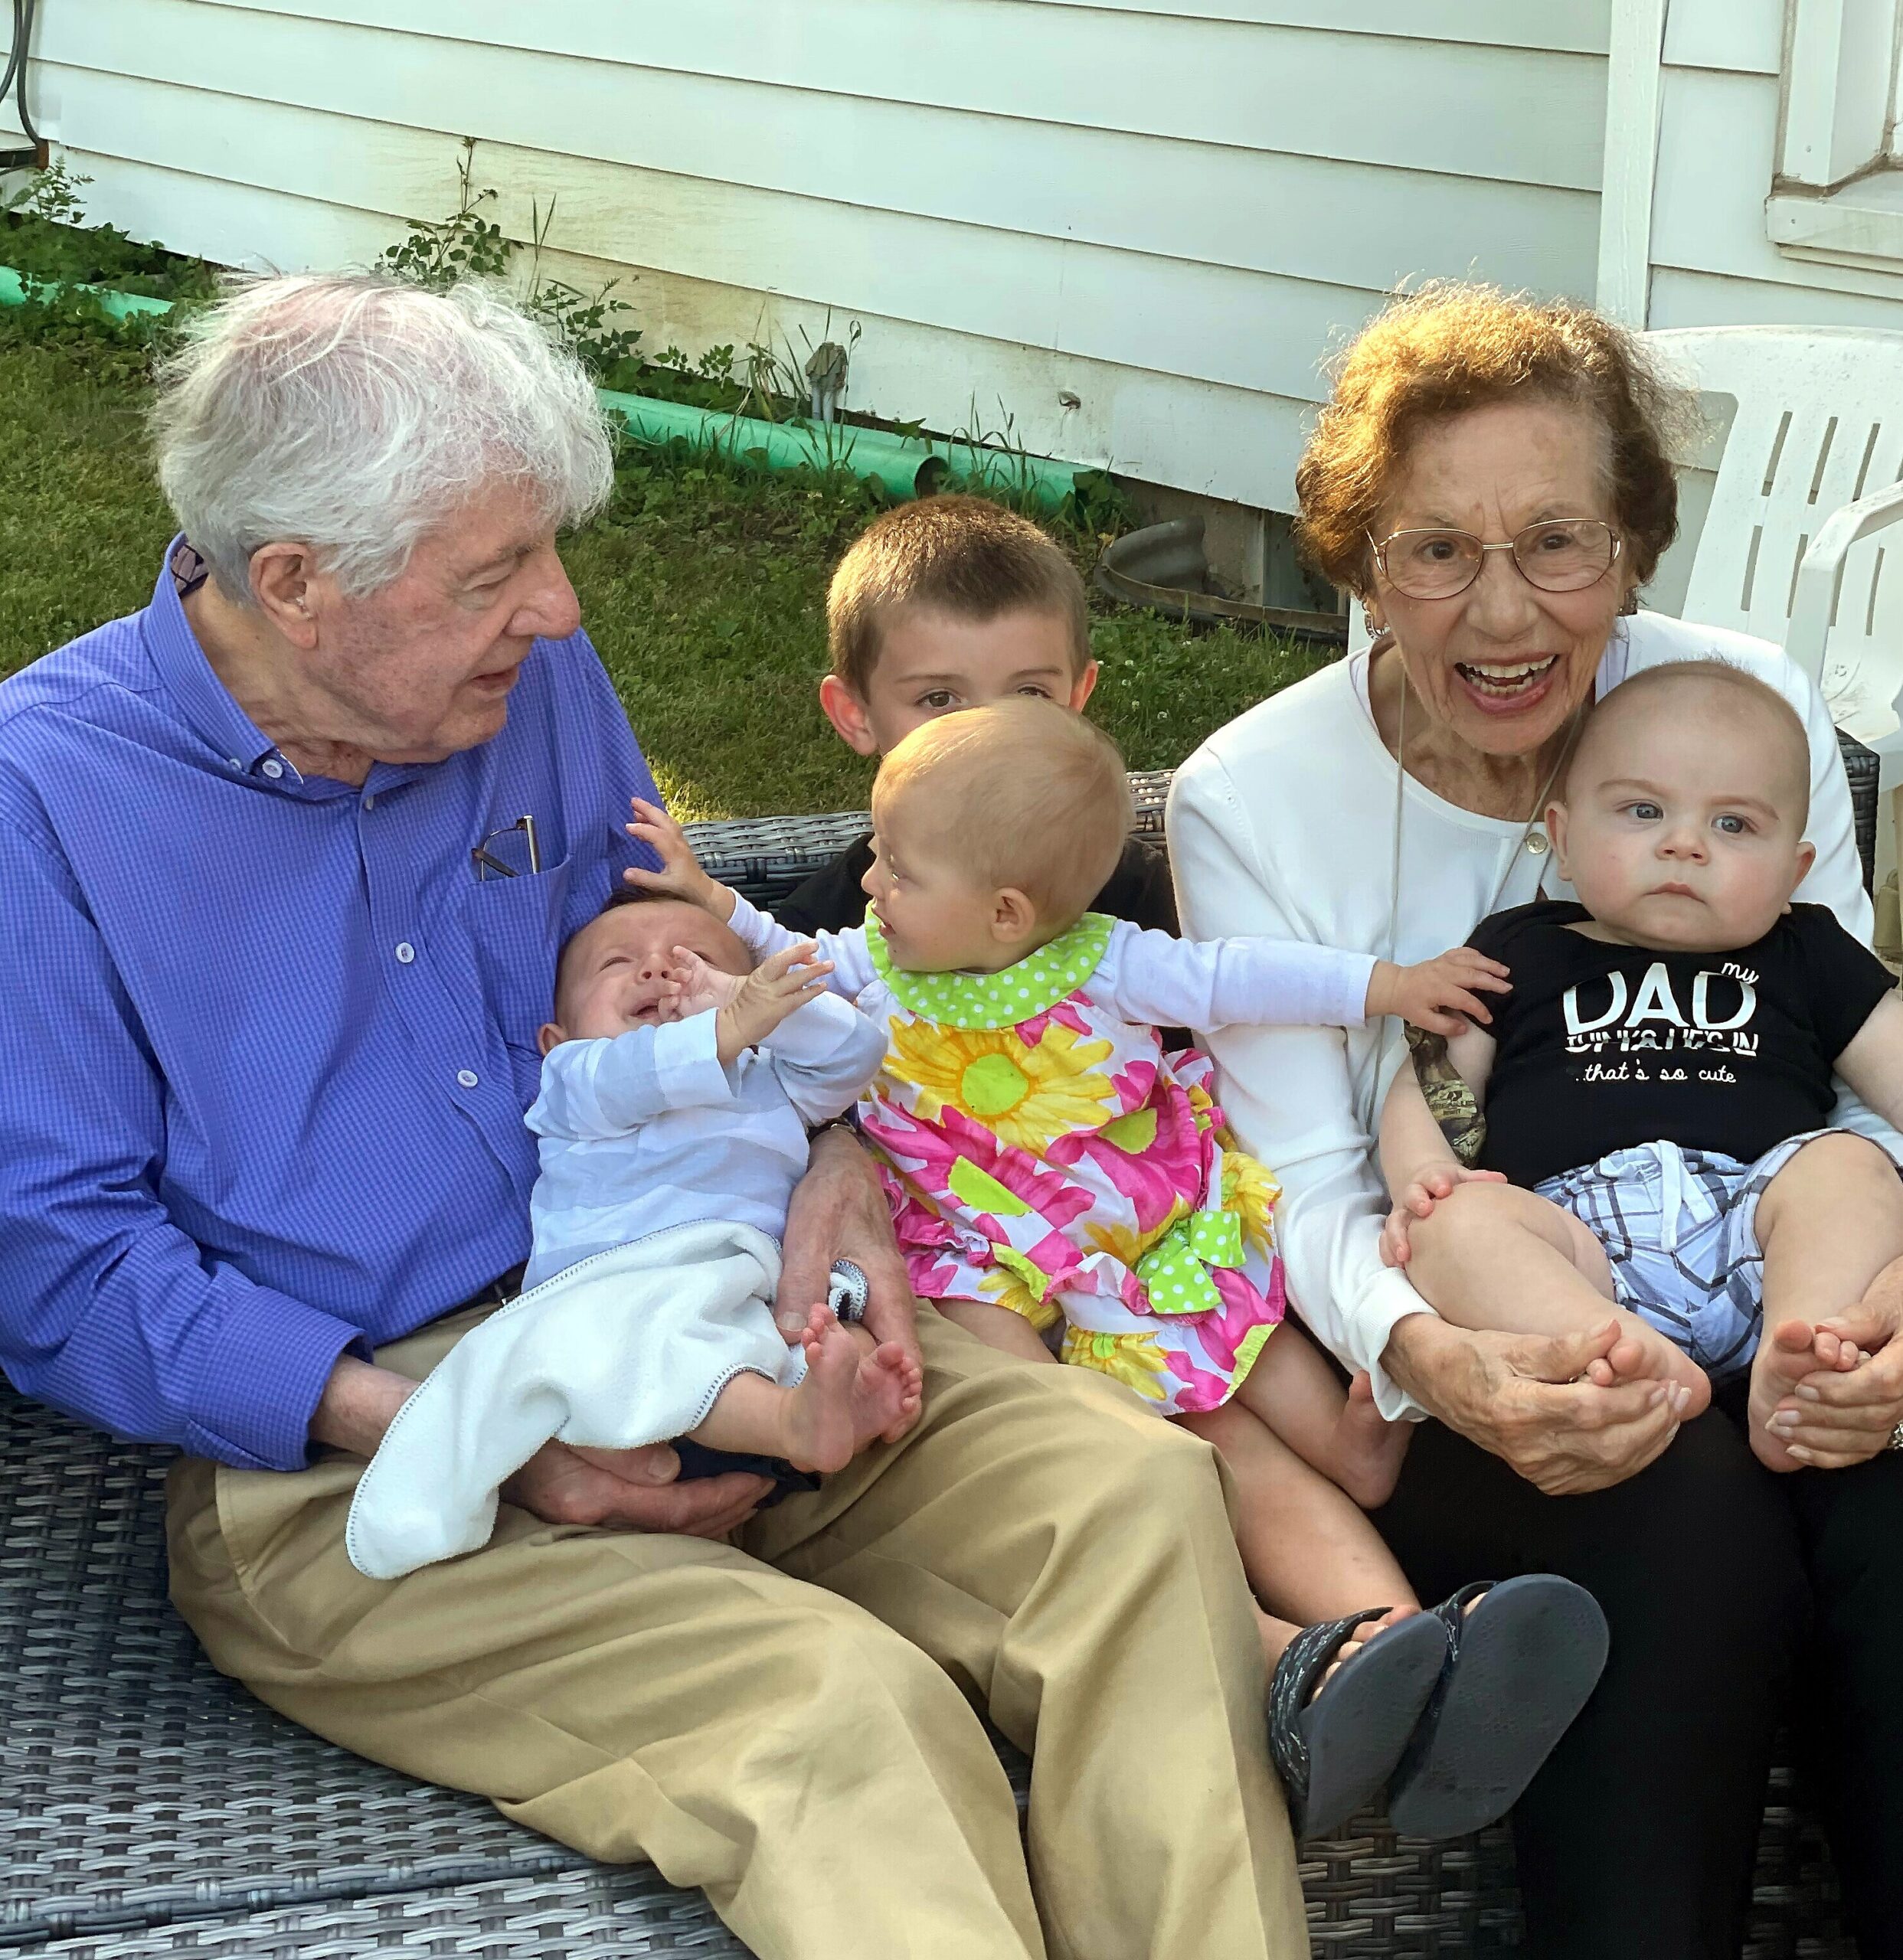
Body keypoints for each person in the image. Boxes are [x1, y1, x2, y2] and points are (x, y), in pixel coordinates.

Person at [0, 273, 1316, 1960]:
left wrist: (833, 1150)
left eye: (548, 551)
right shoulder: (43, 803)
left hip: (726, 1303)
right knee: (836, 1711)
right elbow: (62, 1265)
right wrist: (473, 1424)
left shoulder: (521, 682)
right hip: (359, 1455)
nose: (556, 608)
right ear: (295, 583)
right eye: (493, 573)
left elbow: (688, 952)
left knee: (1132, 1501)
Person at [1168, 279, 1903, 1960]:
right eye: (1436, 550)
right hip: (1478, 1337)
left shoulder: (1744, 711)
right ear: (1362, 569)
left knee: (1887, 1487)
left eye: (1557, 541)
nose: (1501, 611)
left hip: (1788, 1284)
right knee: (1681, 1511)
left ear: (1632, 547)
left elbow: (1858, 1089)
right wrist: (1442, 1361)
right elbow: (1310, 1186)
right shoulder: (1254, 801)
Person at [629, 696, 1610, 1843]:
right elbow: (783, 961)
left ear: (1004, 910)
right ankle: (1359, 1644)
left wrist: (1386, 985)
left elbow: (1242, 977)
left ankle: (1404, 1648)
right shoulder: (873, 968)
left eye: (896, 866)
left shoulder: (1108, 963)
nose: (870, 884)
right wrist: (712, 906)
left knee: (1238, 1430)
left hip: (1139, 1242)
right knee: (1095, 1440)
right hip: (990, 1271)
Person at [1379, 662, 1903, 1474]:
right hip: (1571, 1241)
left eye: (1733, 825)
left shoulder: (1808, 950)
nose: (1683, 844)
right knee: (1448, 1225)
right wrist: (1422, 1171)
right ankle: (1617, 1354)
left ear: (1794, 872)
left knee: (1847, 1166)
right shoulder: (1519, 946)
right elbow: (1434, 1076)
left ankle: (1803, 1360)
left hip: (1757, 1223)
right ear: (1562, 837)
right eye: (1643, 811)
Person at [345, 891, 919, 1581]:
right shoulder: (575, 1081)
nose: (659, 971)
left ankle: (844, 1406)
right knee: (674, 1344)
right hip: (628, 1292)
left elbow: (855, 1051)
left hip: (758, 1286)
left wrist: (741, 1005)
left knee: (837, 1333)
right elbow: (638, 1076)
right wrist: (725, 1023)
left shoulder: (767, 1080)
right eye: (618, 963)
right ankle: (791, 1420)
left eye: (696, 959)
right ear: (554, 1039)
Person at [772, 493, 1177, 937]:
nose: (990, 735)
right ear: (856, 715)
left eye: (1030, 694)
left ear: (1076, 700)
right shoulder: (817, 933)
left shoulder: (1135, 892)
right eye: (939, 699)